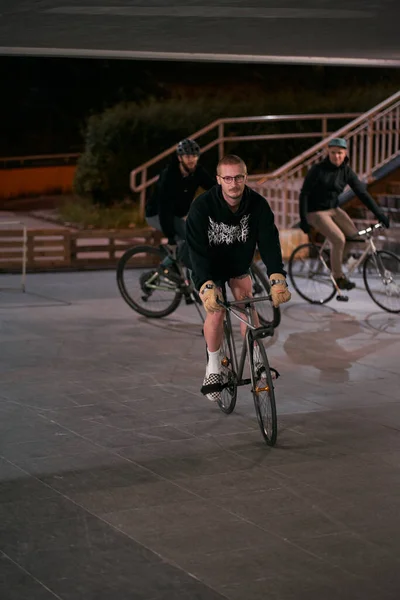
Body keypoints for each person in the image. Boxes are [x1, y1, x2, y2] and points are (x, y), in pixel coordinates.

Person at [186, 154, 291, 402]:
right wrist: (205, 283)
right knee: (216, 311)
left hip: (237, 264)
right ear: (219, 179)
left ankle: (256, 360)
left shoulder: (258, 205)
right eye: (228, 178)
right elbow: (196, 251)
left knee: (246, 301)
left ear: (245, 178)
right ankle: (213, 367)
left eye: (239, 177)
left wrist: (277, 276)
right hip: (208, 267)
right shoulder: (202, 207)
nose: (234, 184)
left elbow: (268, 242)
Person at [299, 137, 390, 290]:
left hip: (334, 209)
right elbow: (304, 194)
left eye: (340, 153)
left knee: (354, 237)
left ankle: (334, 262)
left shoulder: (346, 171)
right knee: (338, 239)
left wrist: (379, 213)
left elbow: (362, 193)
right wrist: (303, 219)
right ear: (328, 153)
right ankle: (338, 277)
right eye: (333, 153)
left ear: (345, 153)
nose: (337, 156)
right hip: (315, 212)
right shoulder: (318, 170)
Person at [145, 138, 216, 246]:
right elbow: (164, 208)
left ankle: (175, 260)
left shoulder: (197, 172)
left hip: (177, 215)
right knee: (187, 239)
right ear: (180, 158)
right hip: (156, 214)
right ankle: (171, 260)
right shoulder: (169, 176)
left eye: (194, 156)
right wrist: (170, 236)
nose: (191, 160)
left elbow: (212, 187)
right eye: (187, 157)